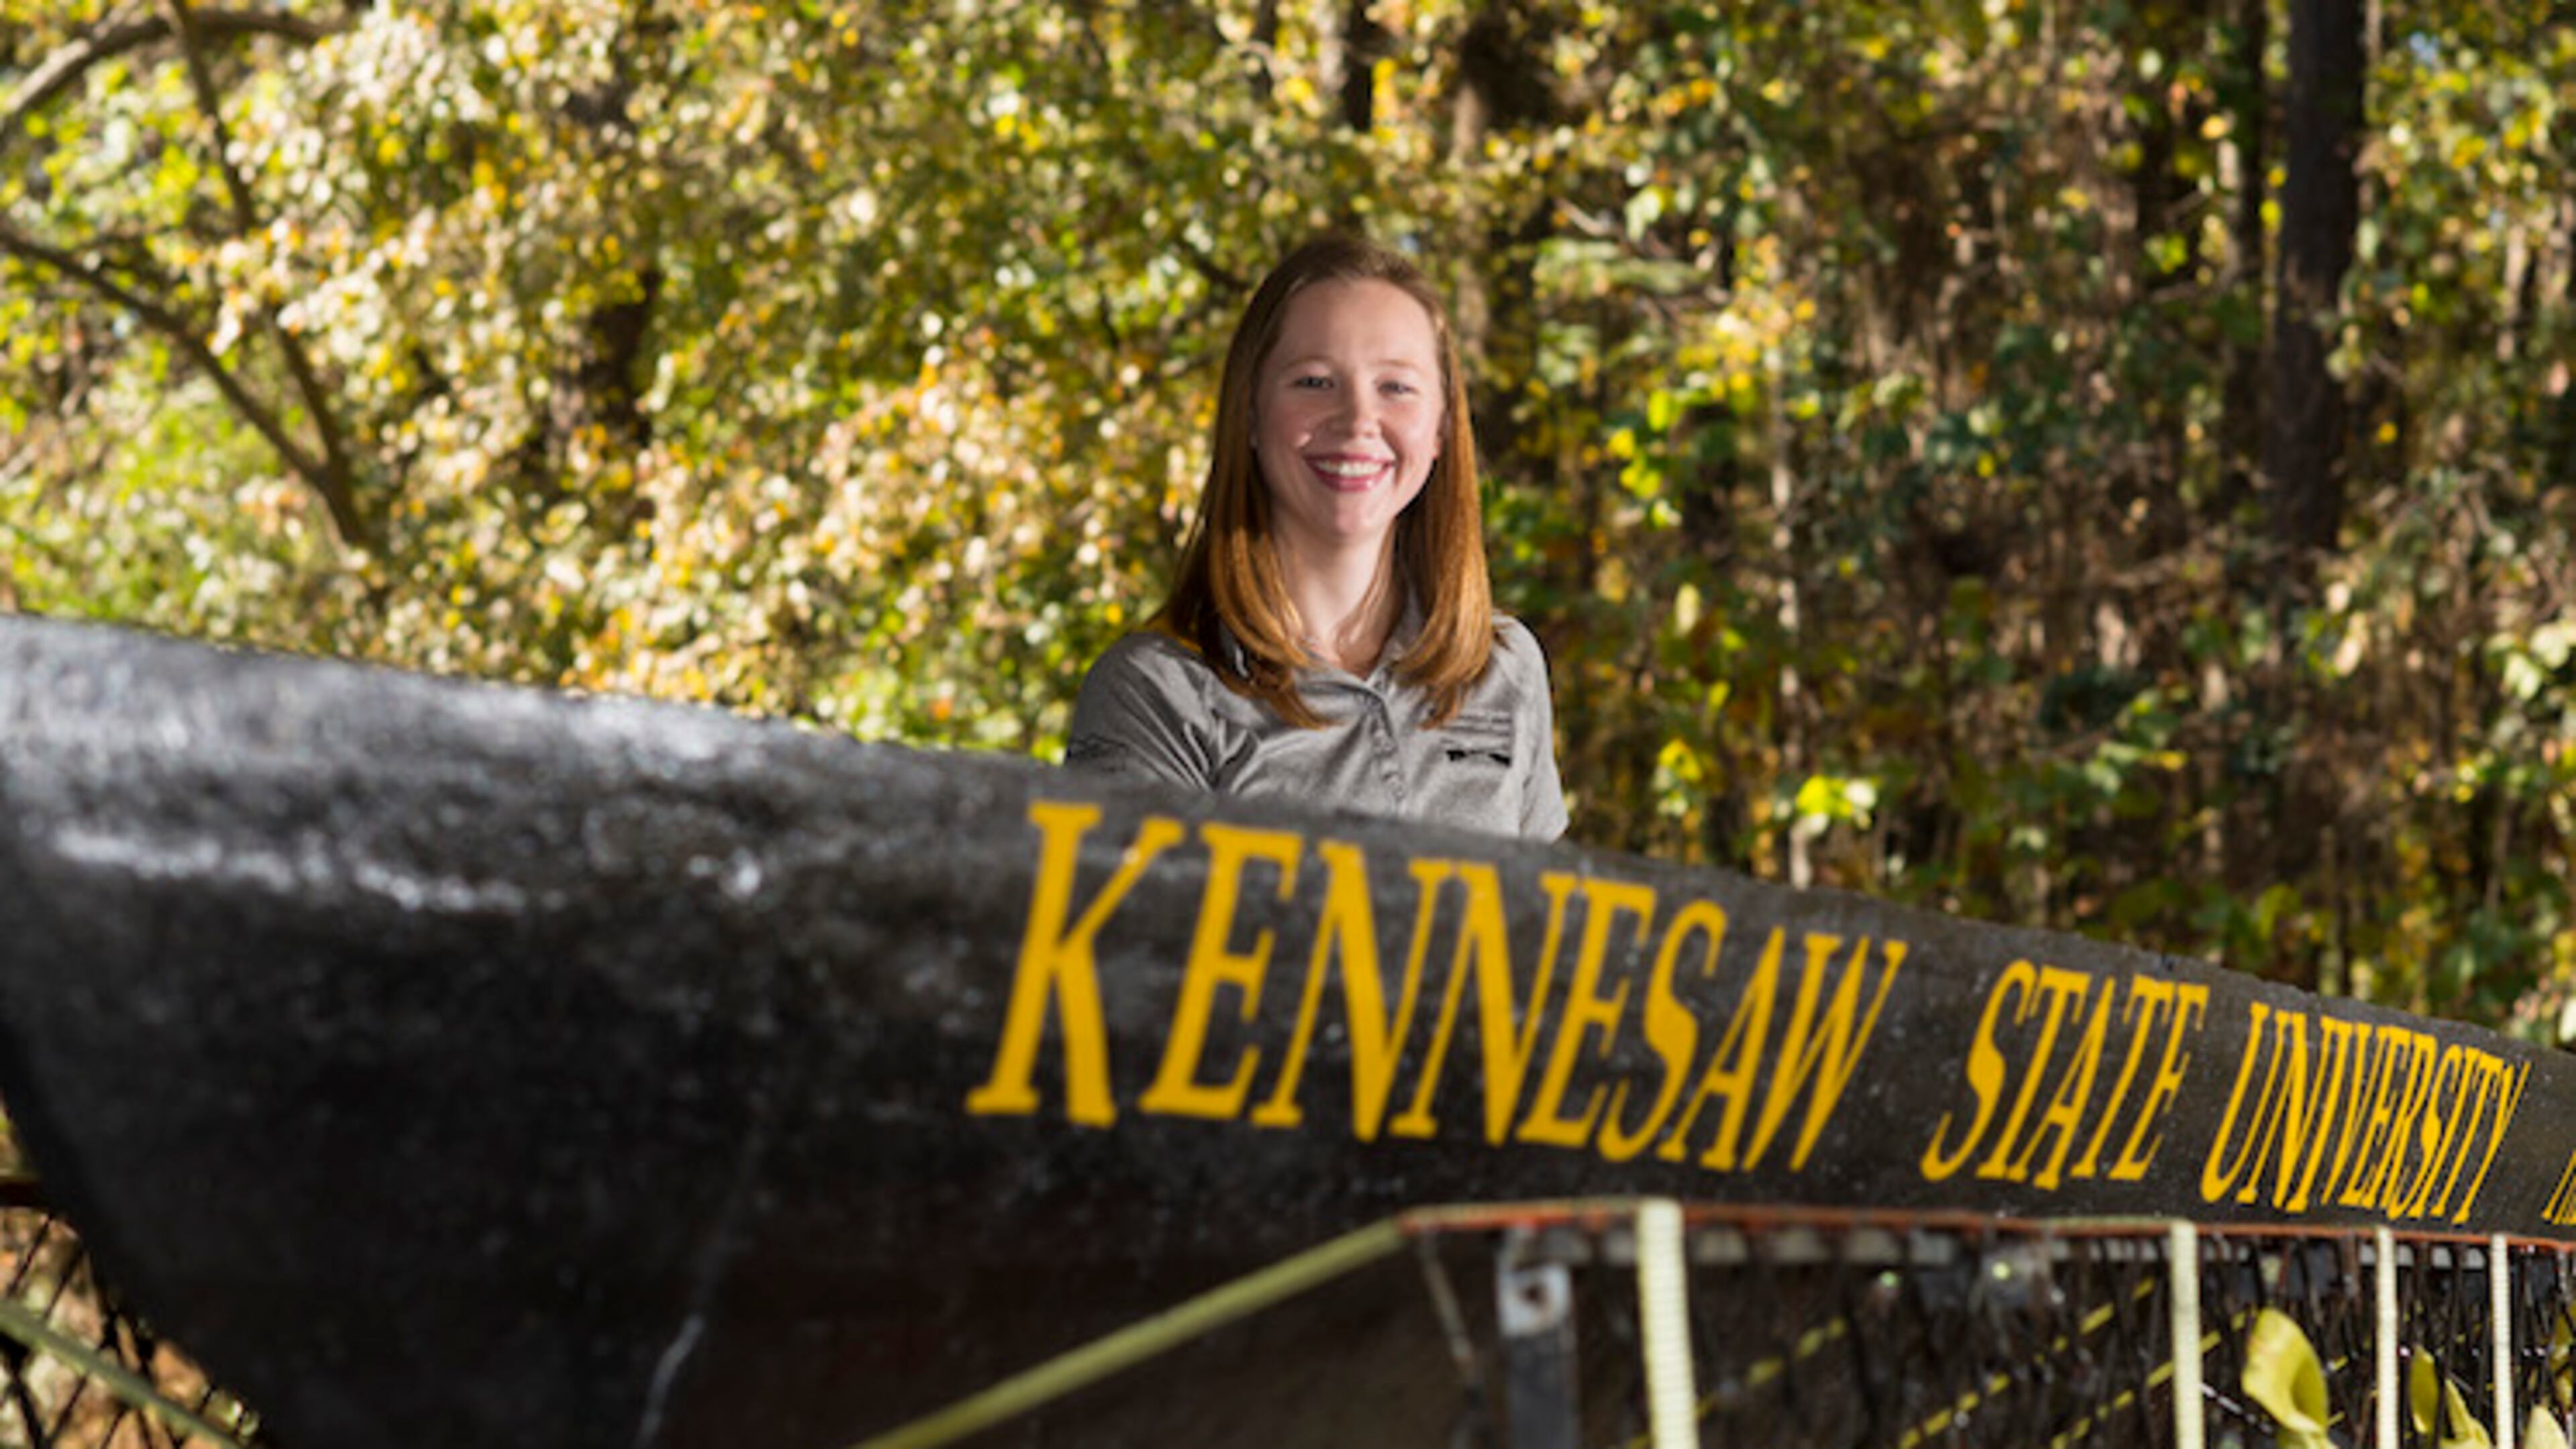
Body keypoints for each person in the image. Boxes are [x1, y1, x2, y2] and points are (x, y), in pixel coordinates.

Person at [1065, 235, 1567, 841]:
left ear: (1441, 428)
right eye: (1314, 381)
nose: (1357, 420)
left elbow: (1541, 902)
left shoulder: (1504, 667)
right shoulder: (1157, 691)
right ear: (1251, 415)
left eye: (1396, 387)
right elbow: (1130, 904)